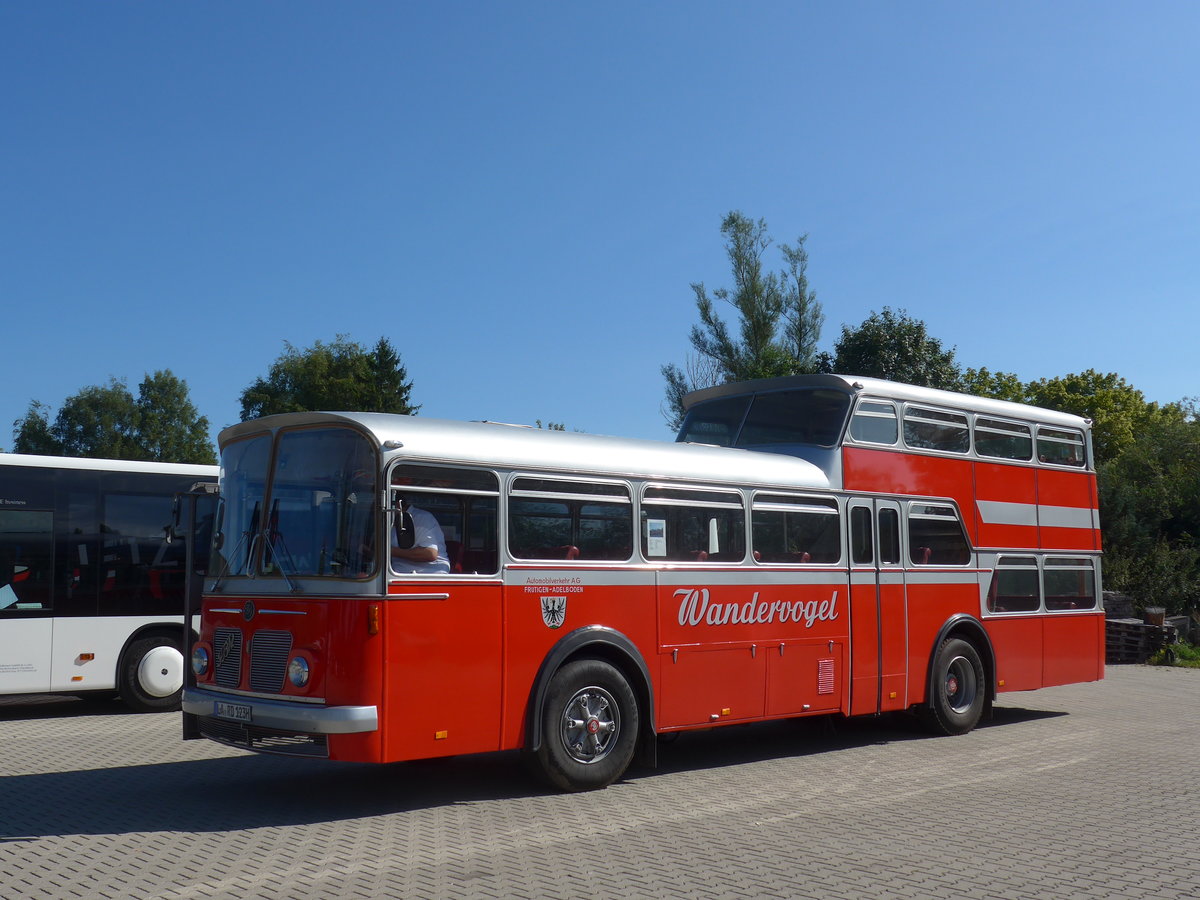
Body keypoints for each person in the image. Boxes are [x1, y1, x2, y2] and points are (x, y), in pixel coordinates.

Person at [391, 501, 450, 574]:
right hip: (397, 573)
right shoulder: (389, 521)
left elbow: (429, 553)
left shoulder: (422, 517)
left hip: (428, 575)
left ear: (397, 505)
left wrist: (389, 551)